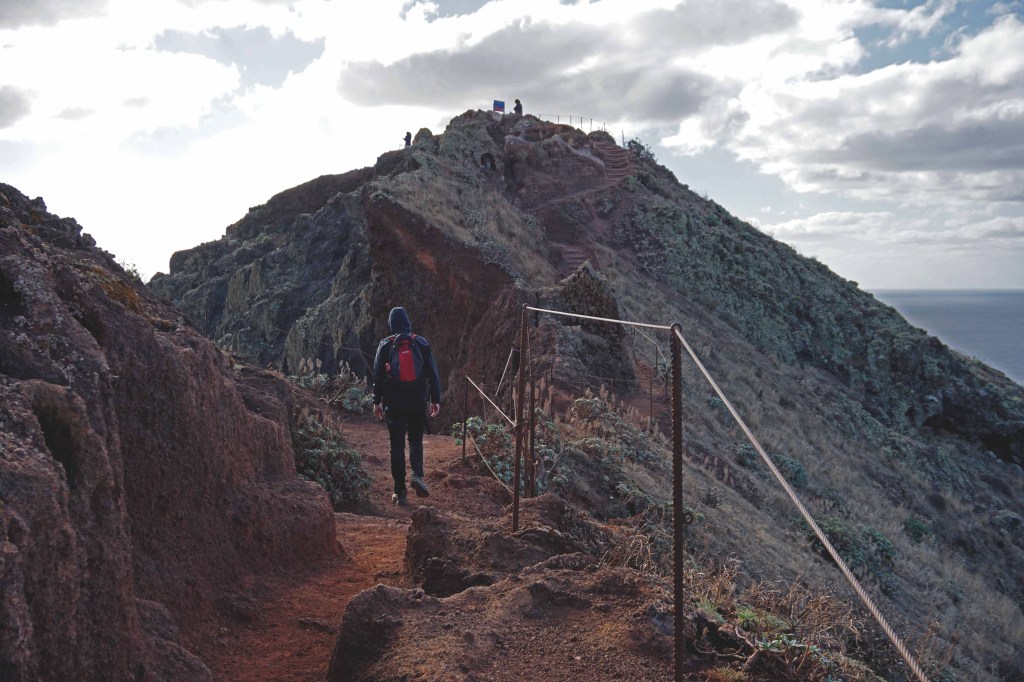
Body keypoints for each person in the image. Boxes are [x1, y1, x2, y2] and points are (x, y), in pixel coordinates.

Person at [372, 307, 441, 506]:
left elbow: (378, 375)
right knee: (415, 440)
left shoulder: (386, 345)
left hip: (394, 403)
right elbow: (433, 373)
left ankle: (400, 491)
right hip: (417, 401)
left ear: (391, 324)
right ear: (408, 322)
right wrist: (435, 399)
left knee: (396, 445)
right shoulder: (420, 343)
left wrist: (376, 401)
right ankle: (417, 475)